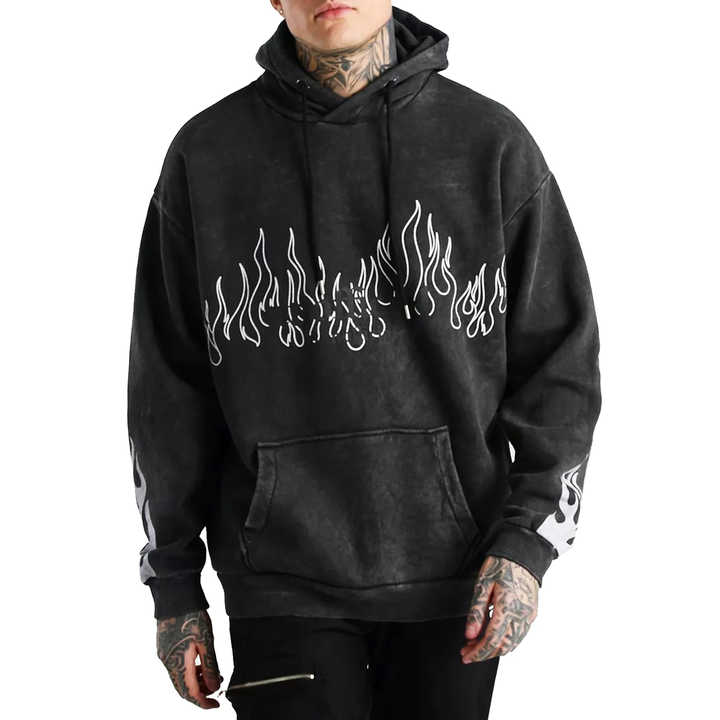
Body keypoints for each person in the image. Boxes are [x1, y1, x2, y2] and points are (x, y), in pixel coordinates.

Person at [126, 2, 602, 718]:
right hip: (279, 579)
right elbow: (167, 392)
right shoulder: (208, 156)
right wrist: (173, 584)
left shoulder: (489, 144)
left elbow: (560, 369)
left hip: (457, 577)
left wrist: (527, 543)